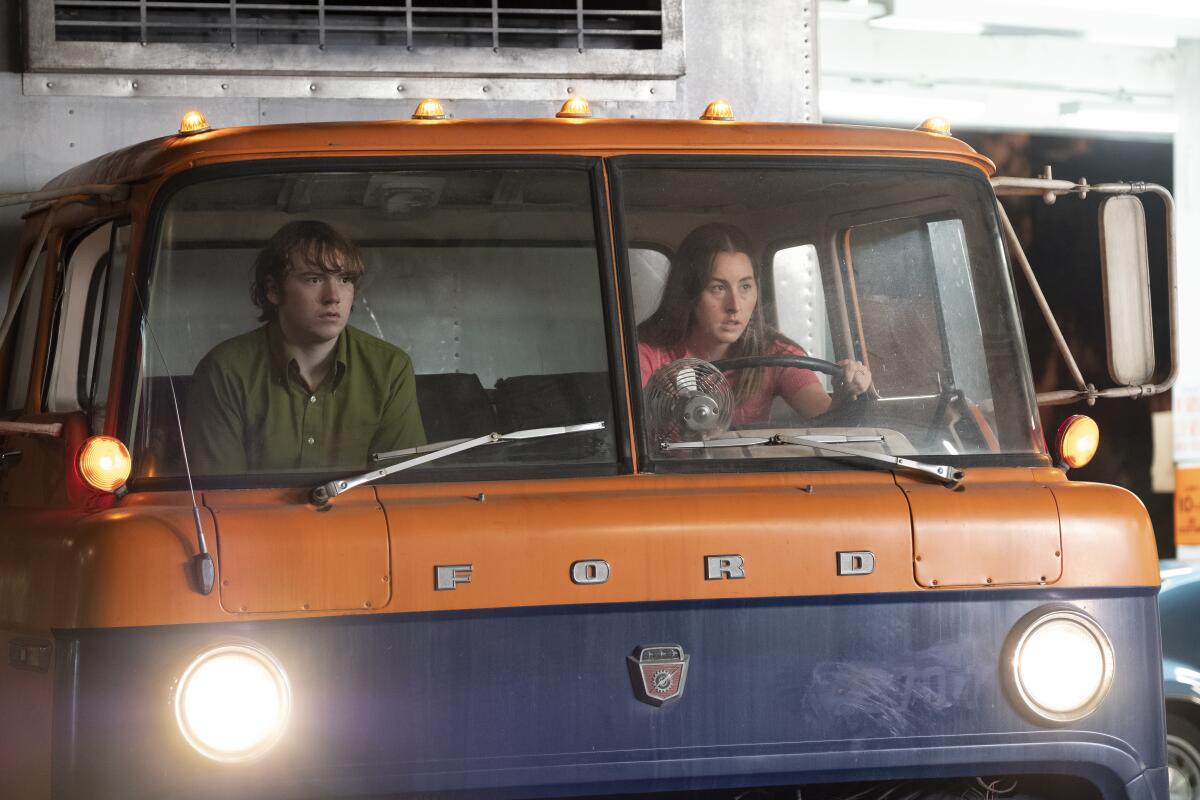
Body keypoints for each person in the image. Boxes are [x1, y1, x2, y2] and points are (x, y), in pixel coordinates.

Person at [185, 220, 425, 474]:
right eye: (314, 279)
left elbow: (405, 488)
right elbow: (217, 499)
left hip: (361, 515)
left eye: (344, 279)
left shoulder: (390, 368)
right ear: (273, 290)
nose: (333, 296)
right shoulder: (225, 370)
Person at [638, 222, 871, 426]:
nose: (735, 305)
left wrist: (844, 393)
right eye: (718, 288)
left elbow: (822, 417)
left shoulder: (775, 353)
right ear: (689, 292)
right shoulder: (648, 354)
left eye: (745, 286)